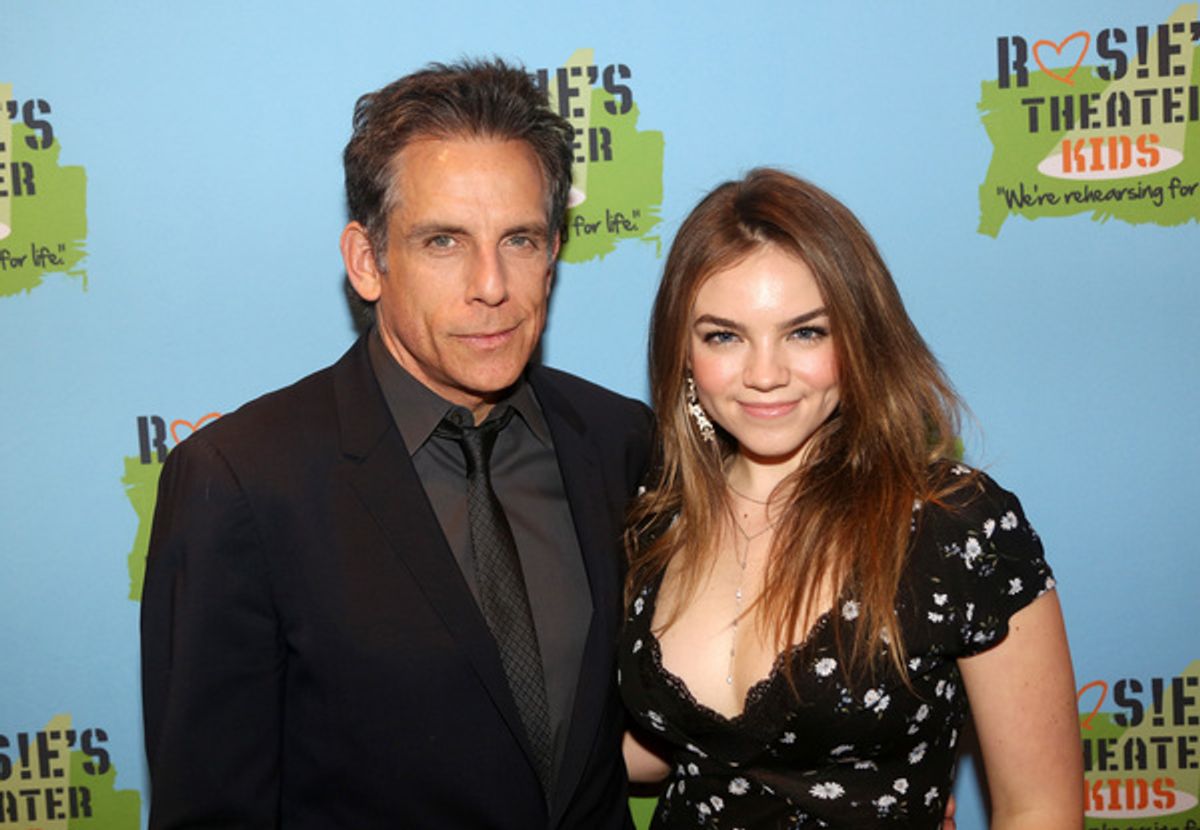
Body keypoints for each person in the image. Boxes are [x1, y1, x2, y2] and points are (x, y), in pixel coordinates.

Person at [140, 58, 653, 829]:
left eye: (520, 239)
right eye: (444, 241)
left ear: (553, 252)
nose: (492, 285)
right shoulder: (241, 484)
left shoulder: (619, 441)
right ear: (367, 261)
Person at [619, 169, 1083, 828]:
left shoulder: (954, 529)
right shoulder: (655, 520)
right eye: (723, 335)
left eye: (805, 332)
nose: (765, 374)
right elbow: (663, 748)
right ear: (683, 353)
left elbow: (1040, 811)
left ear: (858, 335)